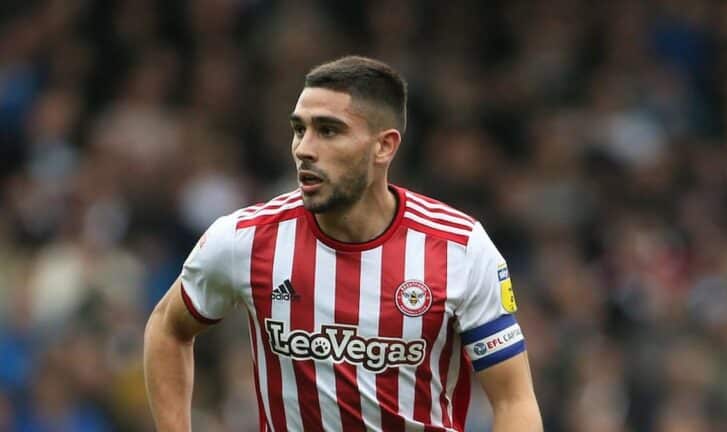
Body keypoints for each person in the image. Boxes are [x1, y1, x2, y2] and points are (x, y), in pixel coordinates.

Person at [144, 55, 542, 432]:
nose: (304, 149)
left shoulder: (460, 248)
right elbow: (167, 327)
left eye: (328, 130)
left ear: (384, 146)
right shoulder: (245, 240)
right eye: (299, 129)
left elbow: (514, 401)